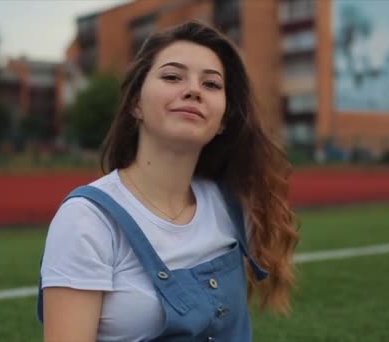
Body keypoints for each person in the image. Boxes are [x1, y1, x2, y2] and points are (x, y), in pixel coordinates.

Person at [37, 20, 298, 342]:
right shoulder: (87, 221)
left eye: (212, 85)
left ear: (223, 121)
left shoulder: (232, 205)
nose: (193, 90)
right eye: (172, 77)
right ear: (136, 104)